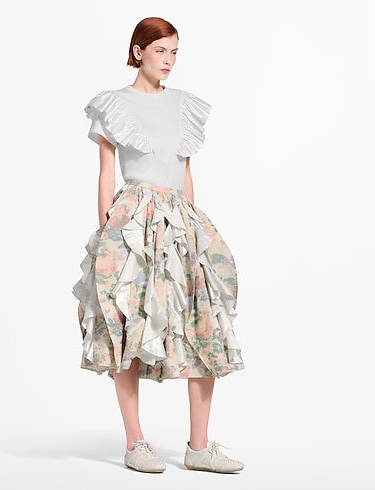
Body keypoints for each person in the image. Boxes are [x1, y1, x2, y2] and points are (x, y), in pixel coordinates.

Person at [72, 17, 245, 474]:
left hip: (179, 220)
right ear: (138, 52)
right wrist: (106, 229)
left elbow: (185, 172)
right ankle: (136, 442)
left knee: (203, 319)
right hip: (133, 220)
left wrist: (195, 228)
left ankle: (199, 447)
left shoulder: (184, 105)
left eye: (174, 53)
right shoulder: (114, 104)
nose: (168, 61)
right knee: (127, 322)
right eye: (160, 51)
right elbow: (106, 171)